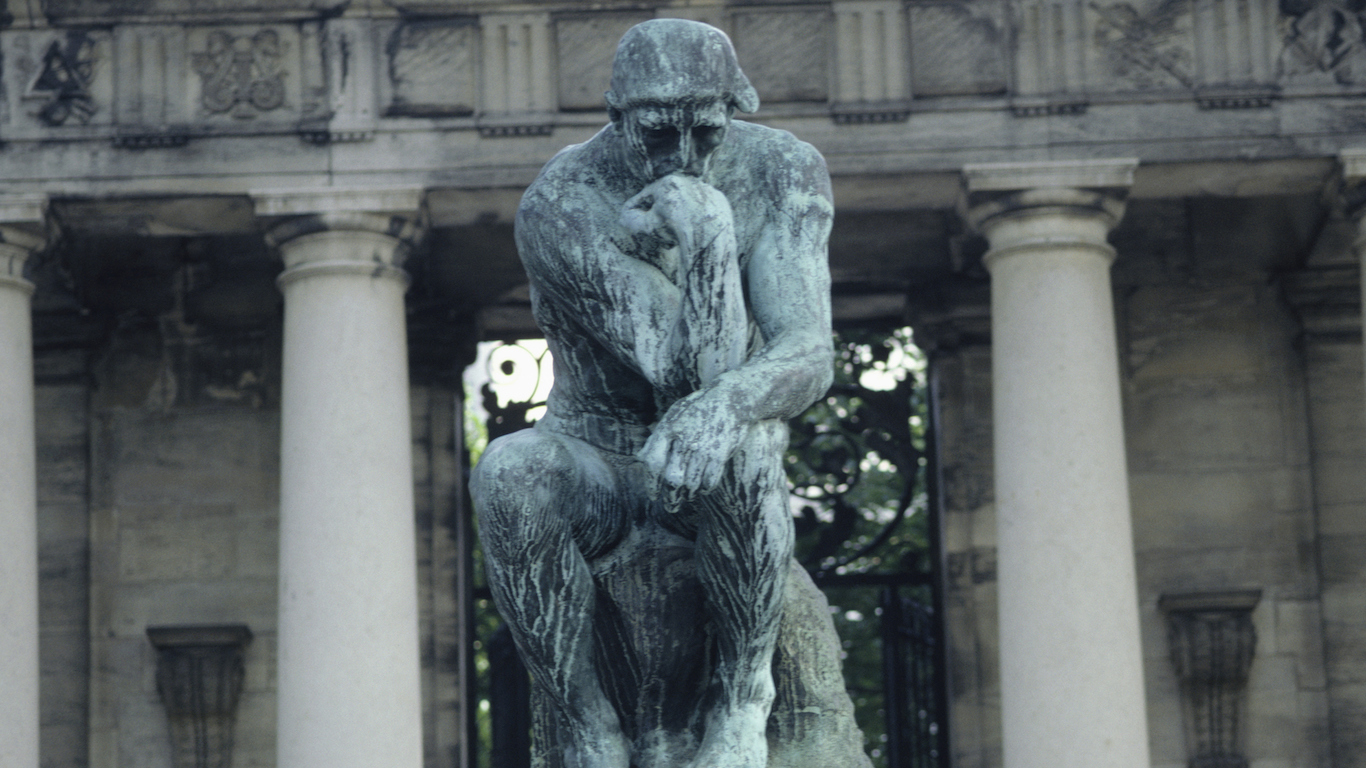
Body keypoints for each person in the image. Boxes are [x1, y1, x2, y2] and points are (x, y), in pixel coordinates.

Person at [470, 18, 834, 768]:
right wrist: (706, 242)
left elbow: (807, 351)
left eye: (706, 131)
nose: (684, 157)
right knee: (509, 471)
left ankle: (742, 697)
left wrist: (727, 405)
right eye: (658, 133)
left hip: (711, 469)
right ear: (616, 116)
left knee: (741, 441)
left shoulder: (785, 169)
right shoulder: (562, 201)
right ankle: (583, 722)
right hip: (598, 454)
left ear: (738, 109)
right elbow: (675, 367)